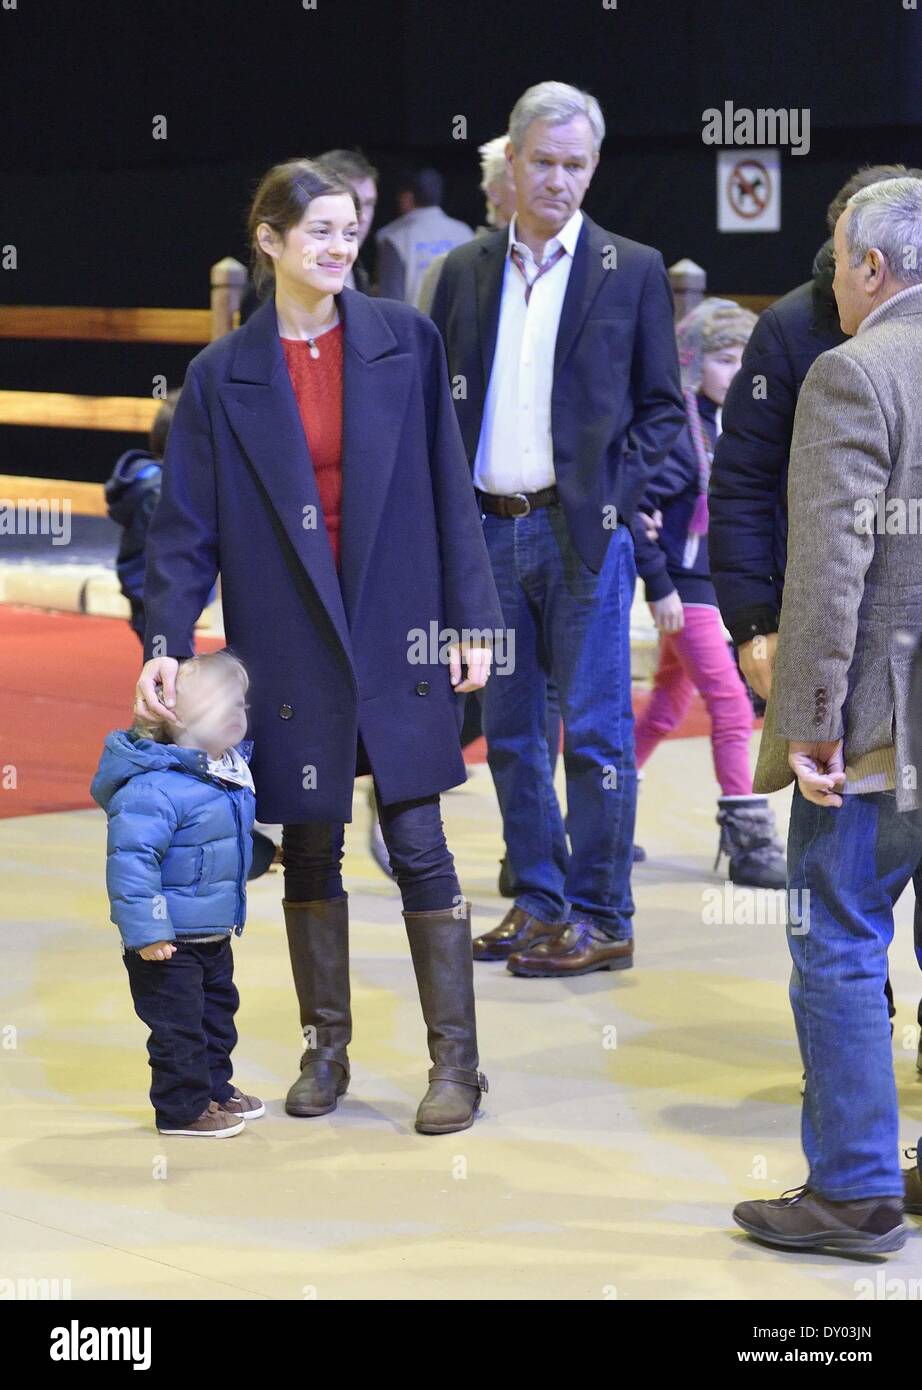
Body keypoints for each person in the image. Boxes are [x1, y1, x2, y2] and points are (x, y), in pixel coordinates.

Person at [134, 159, 504, 1137]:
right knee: (309, 846)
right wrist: (167, 641)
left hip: (401, 628)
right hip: (289, 638)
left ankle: (455, 1064)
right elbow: (184, 533)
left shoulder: (405, 342)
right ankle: (325, 1049)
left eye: (350, 230)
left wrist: (473, 622)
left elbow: (448, 491)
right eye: (320, 232)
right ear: (270, 240)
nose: (340, 247)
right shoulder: (222, 376)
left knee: (420, 842)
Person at [431, 80, 685, 978]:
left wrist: (616, 501)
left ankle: (603, 914)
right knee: (508, 732)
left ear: (594, 168)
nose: (559, 180)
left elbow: (665, 415)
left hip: (582, 537)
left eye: (575, 165)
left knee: (599, 732)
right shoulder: (463, 270)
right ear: (512, 159)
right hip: (486, 534)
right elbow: (435, 411)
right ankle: (538, 903)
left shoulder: (634, 268)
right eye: (543, 162)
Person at [733, 176, 922, 1256]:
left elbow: (828, 573)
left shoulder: (852, 372)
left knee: (839, 936)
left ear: (868, 270)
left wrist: (805, 723)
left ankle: (853, 1190)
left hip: (879, 729)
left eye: (838, 257)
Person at [632, 300, 786, 888]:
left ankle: (604, 816)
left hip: (715, 592)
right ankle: (748, 840)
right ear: (694, 362)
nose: (738, 371)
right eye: (725, 359)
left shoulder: (734, 428)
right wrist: (662, 587)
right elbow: (636, 508)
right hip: (687, 594)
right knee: (727, 701)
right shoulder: (678, 430)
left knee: (668, 706)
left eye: (747, 359)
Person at [104, 388, 276, 881]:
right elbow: (173, 553)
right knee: (188, 710)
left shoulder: (145, 481)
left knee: (187, 708)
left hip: (150, 603)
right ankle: (205, 810)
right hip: (159, 605)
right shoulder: (163, 490)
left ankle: (215, 810)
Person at [90, 651, 260, 1138]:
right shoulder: (153, 788)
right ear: (172, 714)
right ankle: (182, 1109)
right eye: (217, 705)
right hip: (166, 941)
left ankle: (215, 1089)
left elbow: (220, 841)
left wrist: (266, 855)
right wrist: (146, 931)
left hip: (211, 932)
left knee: (216, 1018)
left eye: (240, 705)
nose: (234, 715)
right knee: (178, 1029)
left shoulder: (226, 774)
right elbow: (130, 862)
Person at [376, 167, 473, 305]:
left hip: (414, 325)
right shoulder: (465, 232)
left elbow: (390, 301)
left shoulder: (393, 236)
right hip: (457, 324)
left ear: (407, 197)